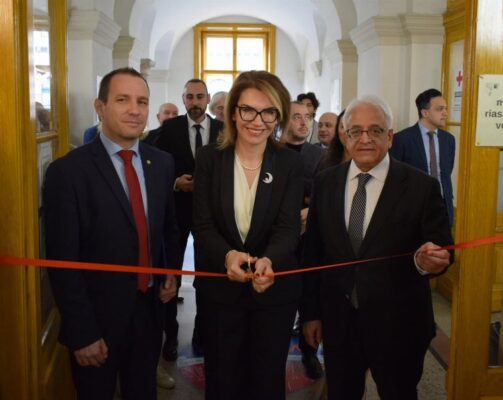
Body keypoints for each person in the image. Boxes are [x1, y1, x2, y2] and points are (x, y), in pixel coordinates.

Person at [301, 95, 454, 400]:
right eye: (356, 131)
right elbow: (313, 252)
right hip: (340, 323)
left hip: (399, 324)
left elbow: (443, 250)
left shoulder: (421, 186)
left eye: (375, 130)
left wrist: (428, 261)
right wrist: (311, 313)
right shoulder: (327, 182)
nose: (365, 139)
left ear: (390, 136)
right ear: (345, 137)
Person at [43, 67, 181, 399]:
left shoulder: (162, 163)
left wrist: (170, 273)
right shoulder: (67, 172)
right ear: (100, 107)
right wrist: (82, 333)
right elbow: (62, 261)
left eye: (142, 101)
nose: (135, 110)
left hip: (149, 315)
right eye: (122, 100)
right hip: (96, 323)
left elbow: (168, 228)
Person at [193, 70, 303, 400]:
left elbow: (288, 228)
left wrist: (270, 260)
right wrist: (227, 255)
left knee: (267, 382)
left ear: (279, 115)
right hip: (219, 294)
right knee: (222, 380)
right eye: (248, 110)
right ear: (232, 113)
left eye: (268, 112)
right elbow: (203, 225)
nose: (258, 121)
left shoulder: (289, 163)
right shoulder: (209, 159)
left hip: (273, 294)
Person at [155, 79, 223, 357]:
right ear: (183, 99)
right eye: (190, 97)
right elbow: (156, 166)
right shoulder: (170, 128)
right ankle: (170, 335)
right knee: (170, 271)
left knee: (207, 276)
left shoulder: (223, 129)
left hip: (211, 214)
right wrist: (174, 182)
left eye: (199, 97)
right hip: (177, 212)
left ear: (207, 99)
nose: (195, 102)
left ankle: (202, 333)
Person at [282, 101, 325, 379]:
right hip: (280, 240)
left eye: (308, 117)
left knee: (310, 297)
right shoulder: (272, 151)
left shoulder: (319, 155)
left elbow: (324, 193)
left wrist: (311, 206)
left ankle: (309, 353)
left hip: (310, 239)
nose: (303, 122)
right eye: (296, 117)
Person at [390, 88, 455, 226]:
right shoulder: (402, 139)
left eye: (446, 108)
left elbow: (447, 172)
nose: (445, 113)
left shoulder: (449, 140)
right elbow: (394, 178)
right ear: (425, 113)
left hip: (443, 209)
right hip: (412, 211)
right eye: (440, 109)